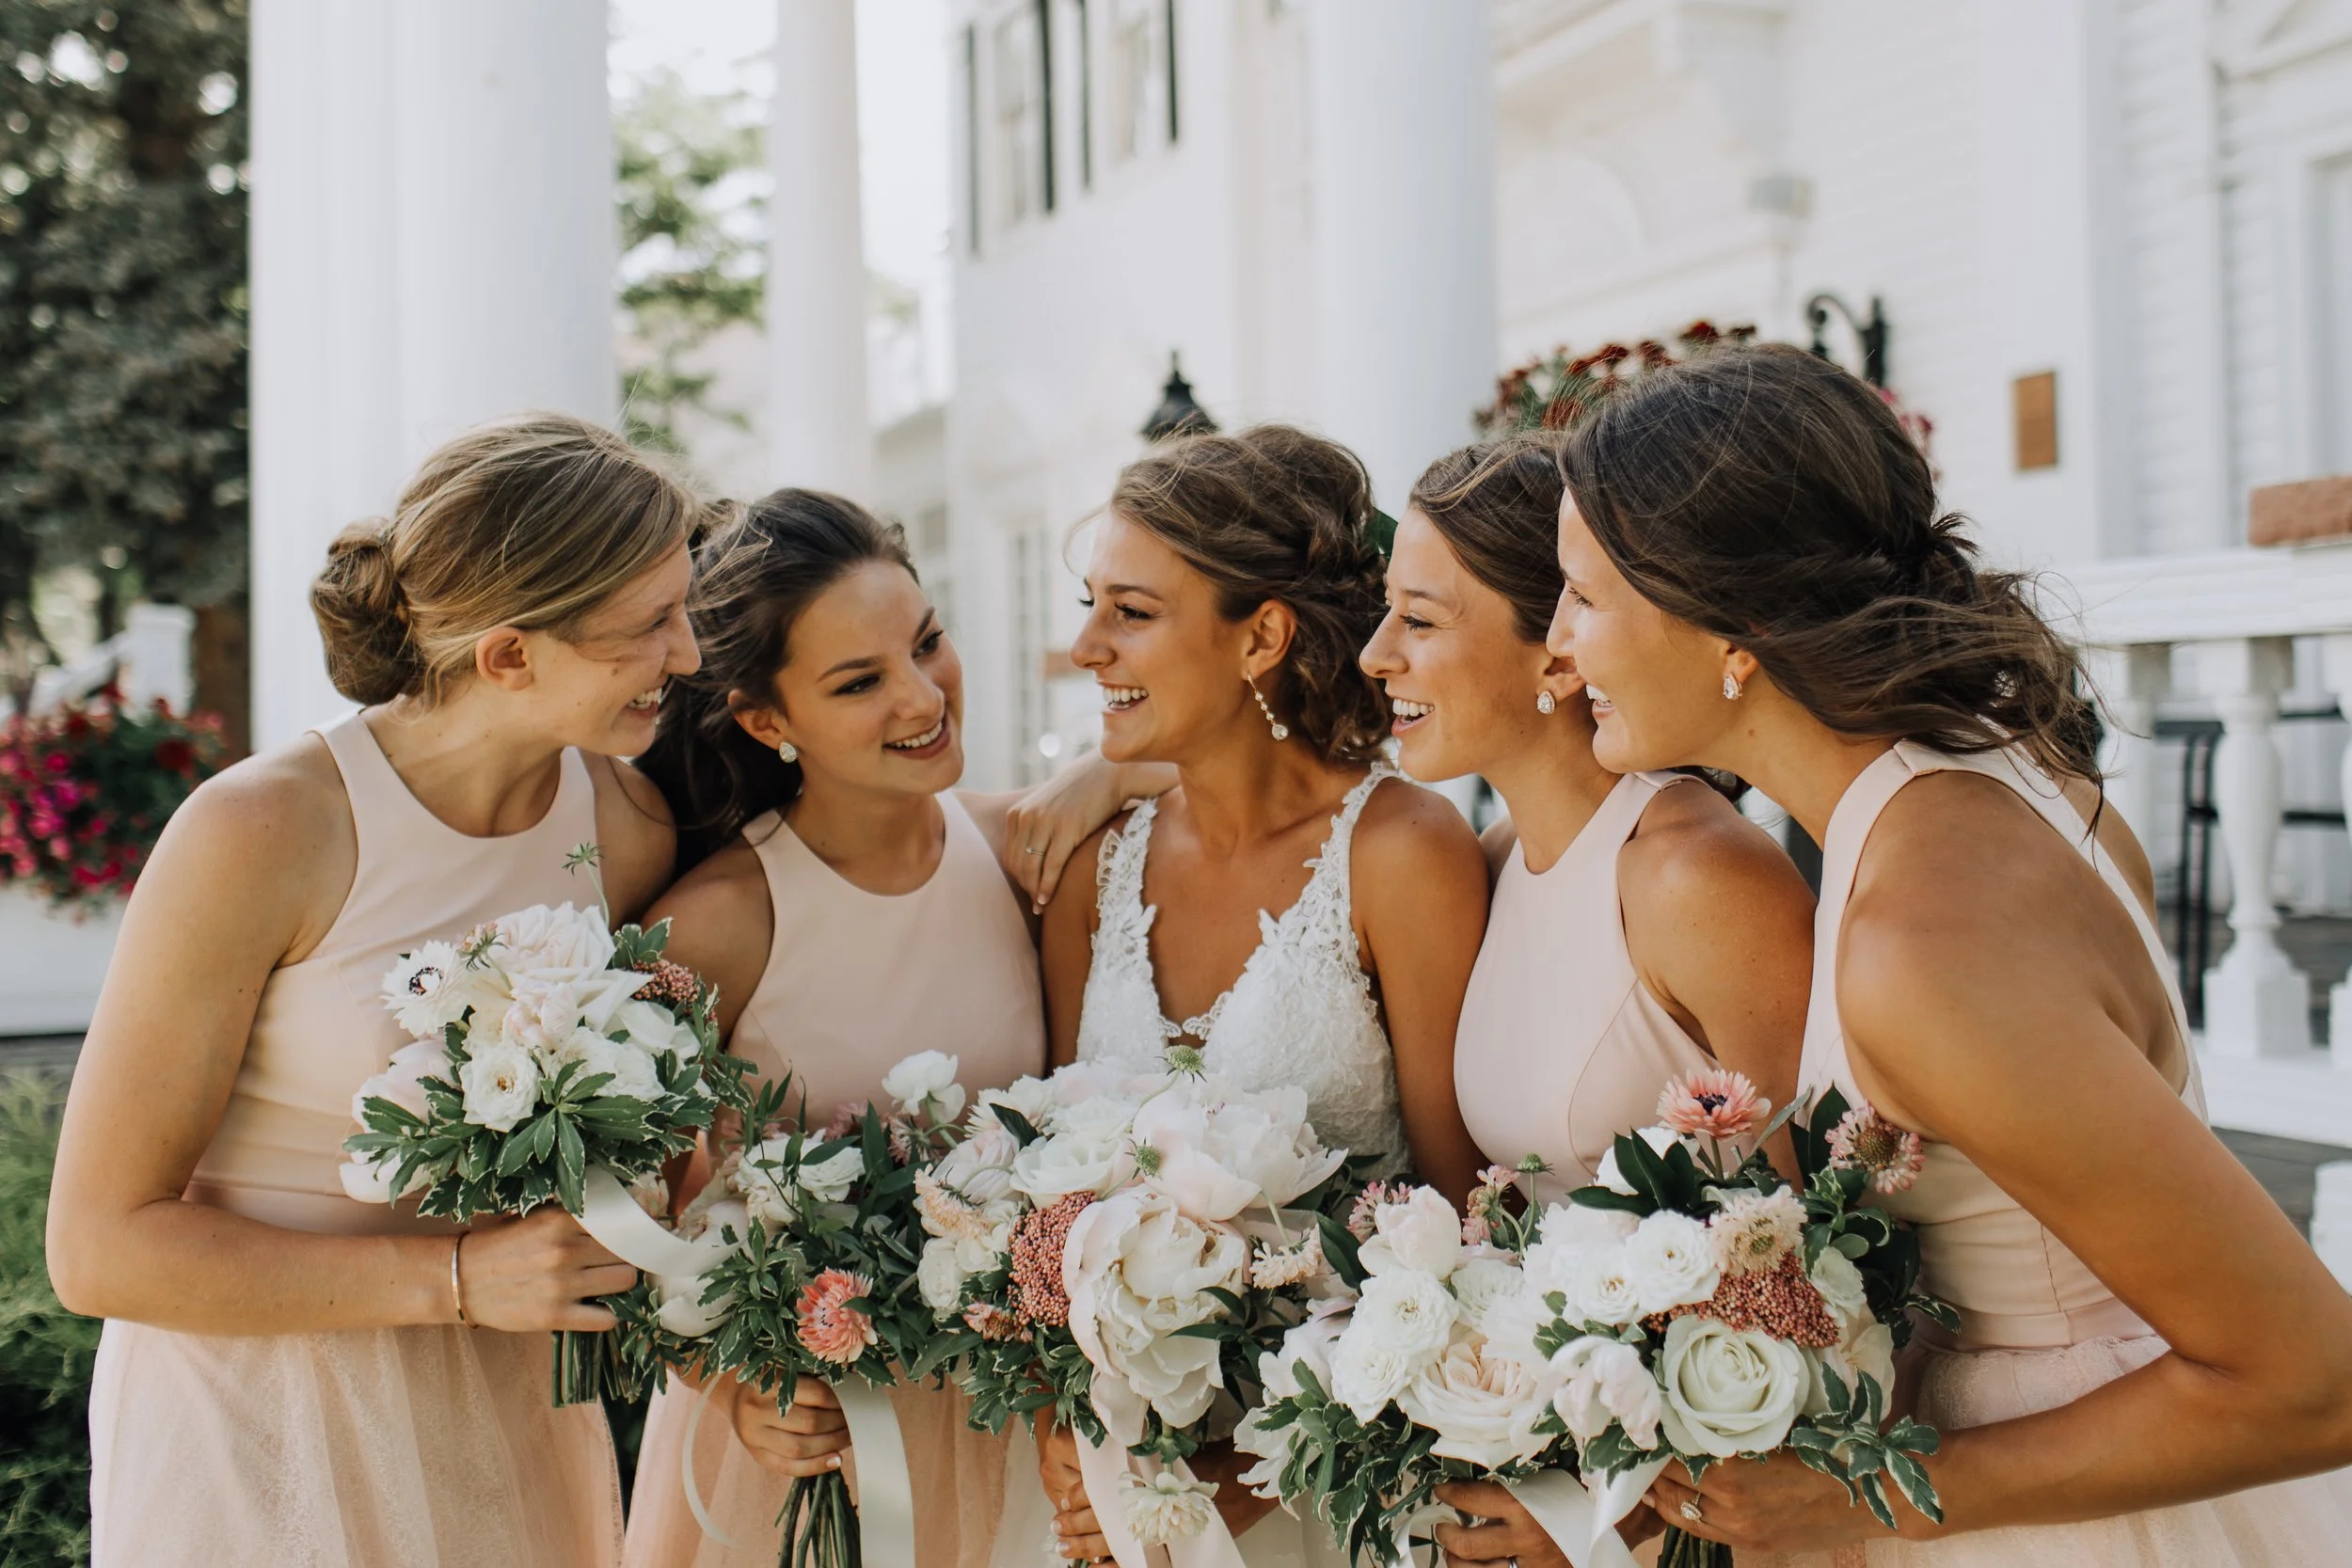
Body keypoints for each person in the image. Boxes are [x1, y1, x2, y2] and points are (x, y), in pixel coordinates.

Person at [1542, 342, 2352, 1564]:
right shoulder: (1996, 770)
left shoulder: (1923, 946)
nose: (1558, 646)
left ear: (1734, 624)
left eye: (1584, 597)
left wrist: (1865, 1495)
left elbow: (2313, 1379)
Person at [49, 413, 703, 1567]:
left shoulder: (626, 827)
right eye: (650, 625)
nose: (690, 654)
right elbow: (99, 1248)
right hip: (258, 1423)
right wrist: (454, 1278)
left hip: (505, 1414)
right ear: (509, 655)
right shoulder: (263, 830)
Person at [621, 489, 1168, 1568]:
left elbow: (1234, 773)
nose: (923, 695)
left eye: (926, 641)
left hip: (1009, 1426)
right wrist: (731, 1384)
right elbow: (621, 1221)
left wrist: (1113, 763)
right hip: (812, 1443)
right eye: (860, 680)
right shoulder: (721, 922)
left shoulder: (1024, 854)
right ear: (765, 719)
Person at [1035, 424, 1491, 1564]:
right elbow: (1041, 1206)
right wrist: (1063, 1409)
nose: (1085, 646)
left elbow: (1455, 1222)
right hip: (1115, 1492)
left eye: (1130, 612)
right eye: (1091, 605)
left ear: (1264, 636)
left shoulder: (1398, 851)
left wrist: (1248, 1469)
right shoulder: (1094, 865)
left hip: (1337, 1488)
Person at [1357, 435, 1816, 1565]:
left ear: (1556, 653)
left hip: (1698, 1513)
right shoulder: (1496, 856)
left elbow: (1822, 1265)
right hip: (1548, 1472)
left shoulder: (1696, 876)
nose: (1376, 655)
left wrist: (1610, 1516)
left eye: (1419, 619)